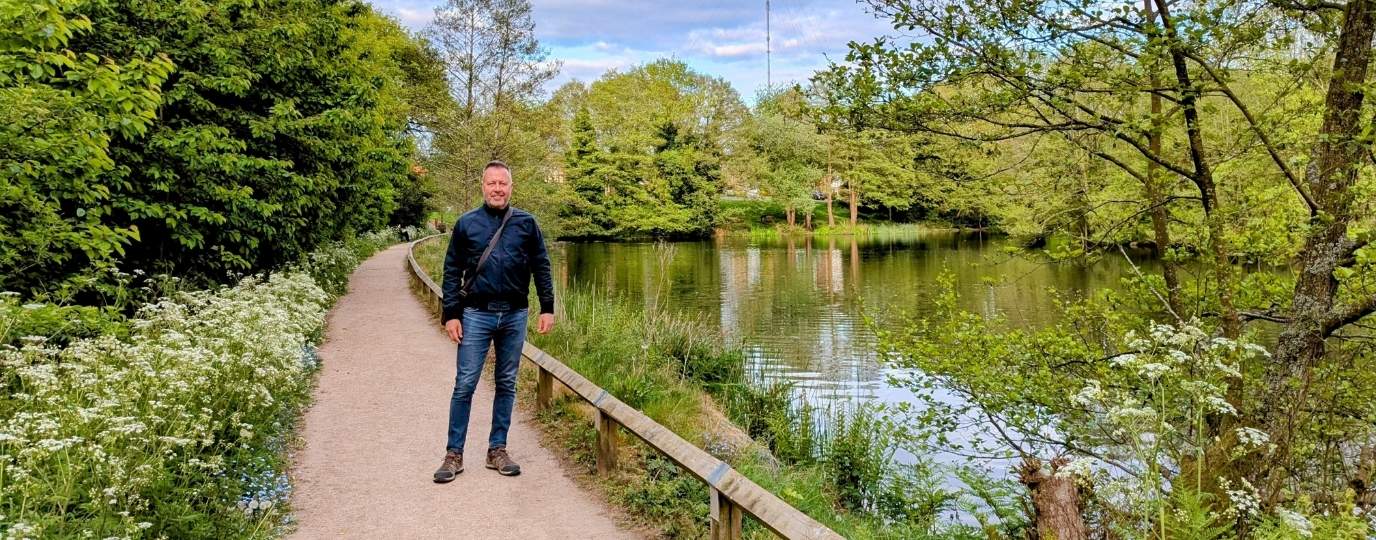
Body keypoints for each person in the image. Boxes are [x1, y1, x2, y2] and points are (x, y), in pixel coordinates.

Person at [433, 160, 555, 483]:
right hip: (476, 314)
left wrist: (547, 306)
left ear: (511, 188)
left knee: (506, 383)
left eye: (503, 183)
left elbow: (541, 266)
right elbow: (451, 271)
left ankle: (496, 449)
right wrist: (452, 314)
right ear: (483, 187)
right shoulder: (466, 224)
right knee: (465, 384)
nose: (498, 189)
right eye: (492, 183)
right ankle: (453, 454)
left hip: (515, 314)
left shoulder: (527, 224)